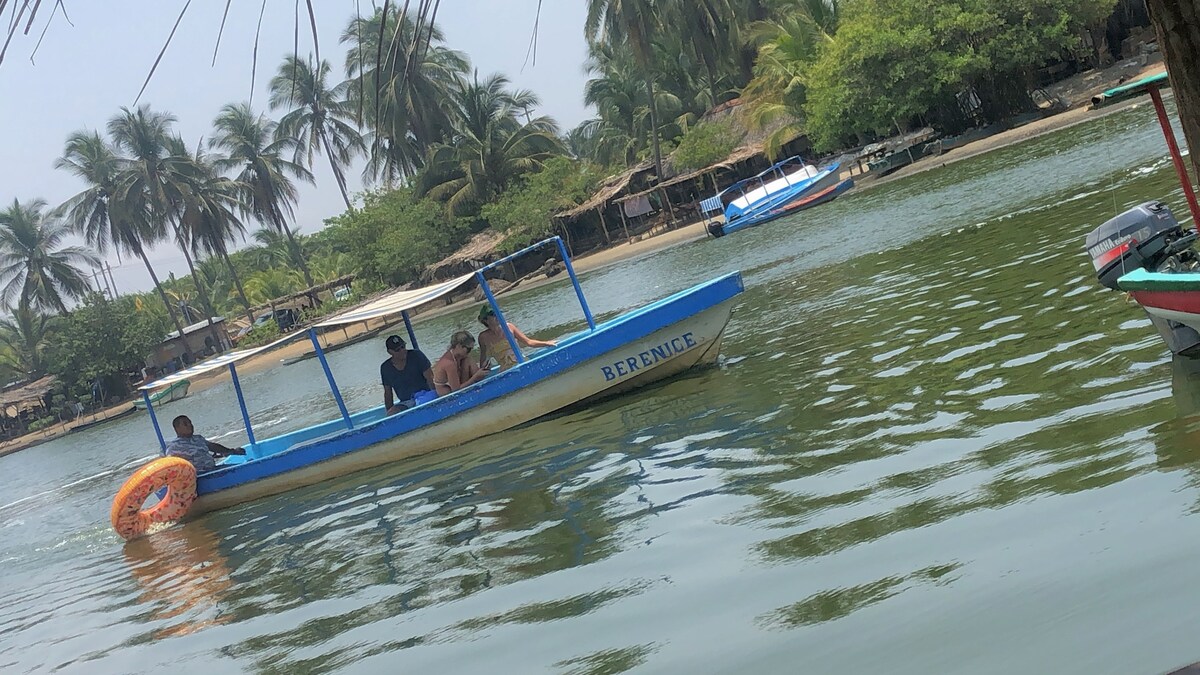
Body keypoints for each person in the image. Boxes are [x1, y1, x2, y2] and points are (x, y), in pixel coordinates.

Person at [477, 306, 557, 371]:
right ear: (486, 320)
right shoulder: (483, 337)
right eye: (493, 314)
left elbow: (529, 342)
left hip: (521, 362)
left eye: (497, 313)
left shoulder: (509, 327)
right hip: (506, 369)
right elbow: (484, 358)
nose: (496, 316)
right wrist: (483, 370)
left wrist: (547, 343)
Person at [164, 415, 245, 473]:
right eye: (185, 424)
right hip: (199, 476)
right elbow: (170, 465)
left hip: (213, 470)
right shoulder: (174, 447)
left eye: (190, 423)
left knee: (243, 465)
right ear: (177, 428)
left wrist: (233, 451)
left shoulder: (198, 438)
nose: (190, 425)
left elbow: (213, 446)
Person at [381, 334, 436, 414]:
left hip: (426, 395)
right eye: (398, 350)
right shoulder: (385, 368)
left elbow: (430, 378)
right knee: (392, 412)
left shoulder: (417, 355)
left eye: (403, 347)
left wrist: (437, 397)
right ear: (390, 352)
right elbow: (388, 392)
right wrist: (389, 411)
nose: (402, 351)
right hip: (406, 402)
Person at [432, 331, 489, 396]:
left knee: (467, 360)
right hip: (449, 394)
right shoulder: (449, 363)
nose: (469, 352)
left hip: (459, 385)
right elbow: (456, 390)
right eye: (468, 349)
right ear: (459, 346)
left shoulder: (461, 357)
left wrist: (483, 370)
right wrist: (475, 377)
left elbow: (477, 374)